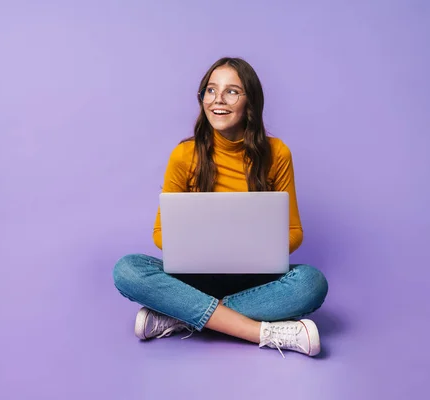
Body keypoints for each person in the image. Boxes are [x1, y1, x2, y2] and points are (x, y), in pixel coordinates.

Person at [113, 57, 328, 358]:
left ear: (250, 101)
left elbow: (294, 233)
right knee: (127, 269)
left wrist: (250, 250)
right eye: (210, 91)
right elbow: (161, 234)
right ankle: (264, 332)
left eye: (231, 92)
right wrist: (202, 248)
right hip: (194, 278)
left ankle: (178, 315)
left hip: (254, 279)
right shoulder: (184, 155)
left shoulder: (277, 153)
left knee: (311, 283)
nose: (218, 101)